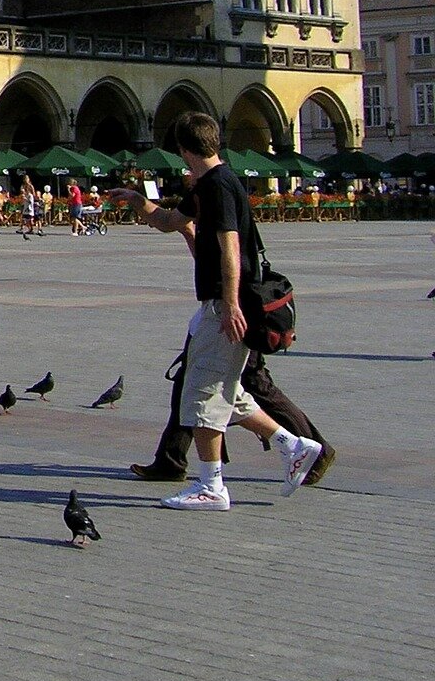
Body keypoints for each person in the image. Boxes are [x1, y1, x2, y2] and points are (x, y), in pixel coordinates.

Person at [106, 112, 322, 510]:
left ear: (185, 151)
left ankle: (212, 487)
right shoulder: (208, 184)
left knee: (202, 396)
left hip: (223, 307)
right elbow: (172, 221)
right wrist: (138, 201)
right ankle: (292, 444)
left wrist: (230, 303)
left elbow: (230, 248)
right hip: (214, 306)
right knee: (227, 392)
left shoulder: (219, 186)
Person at [127, 171, 336, 487]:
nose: (182, 174)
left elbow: (231, 255)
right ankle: (171, 460)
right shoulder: (204, 194)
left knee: (254, 385)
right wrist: (184, 230)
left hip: (232, 314)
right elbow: (204, 256)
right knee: (192, 383)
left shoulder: (216, 191)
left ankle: (312, 450)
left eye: (185, 165)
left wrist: (230, 305)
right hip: (219, 313)